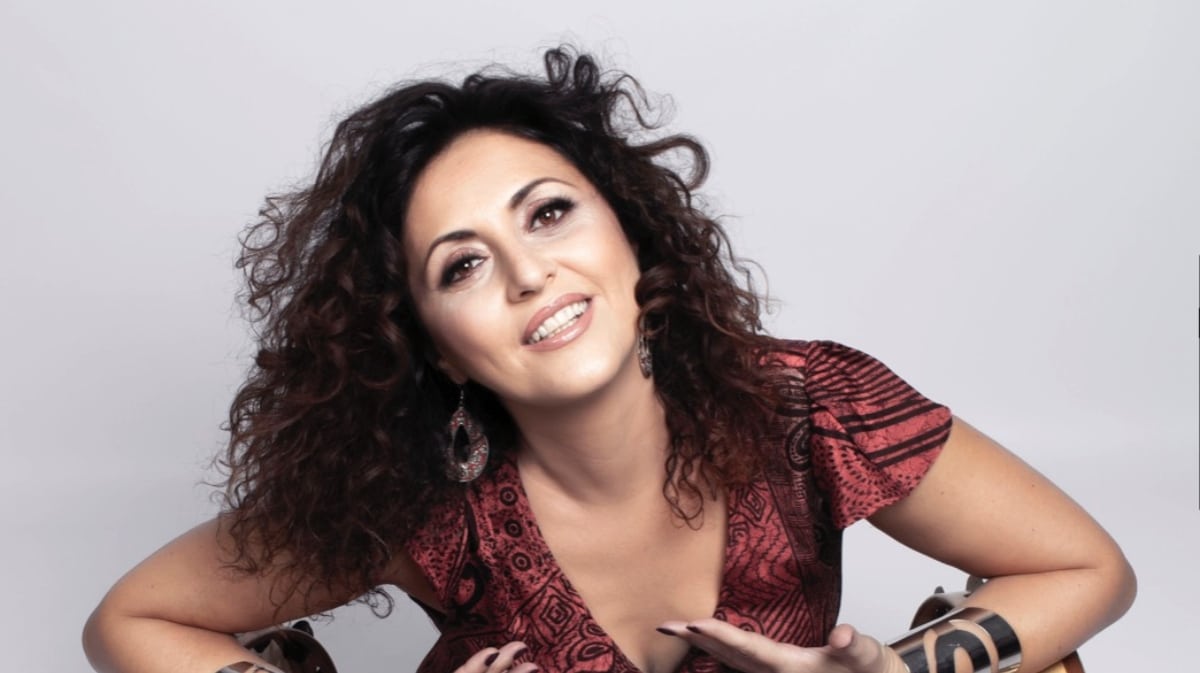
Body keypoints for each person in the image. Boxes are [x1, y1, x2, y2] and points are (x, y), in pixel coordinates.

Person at [82, 46, 1135, 673]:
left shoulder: (809, 405)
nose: (528, 273)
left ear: (632, 234)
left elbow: (1088, 568)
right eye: (462, 266)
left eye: (548, 213)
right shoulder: (414, 502)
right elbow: (132, 620)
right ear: (435, 347)